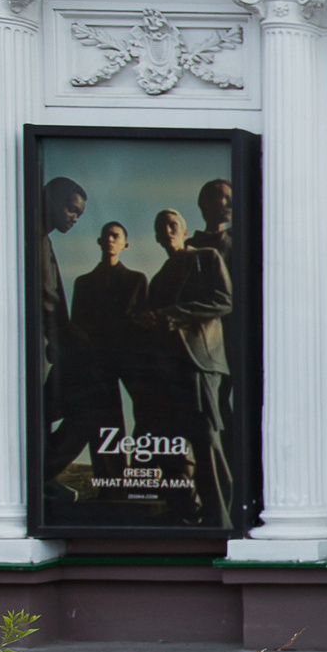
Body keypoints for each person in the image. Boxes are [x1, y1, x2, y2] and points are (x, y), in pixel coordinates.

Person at [140, 207, 232, 526]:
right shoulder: (159, 278)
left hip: (200, 361)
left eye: (172, 224)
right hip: (168, 369)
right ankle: (188, 515)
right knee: (174, 445)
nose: (167, 229)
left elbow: (224, 301)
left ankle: (220, 519)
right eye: (160, 226)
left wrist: (174, 314)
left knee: (205, 440)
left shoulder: (205, 258)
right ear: (155, 237)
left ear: (185, 229)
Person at [64, 222, 149, 493]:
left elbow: (141, 322)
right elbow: (76, 324)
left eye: (116, 236)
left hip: (130, 357)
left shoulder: (136, 279)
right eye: (106, 236)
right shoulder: (84, 282)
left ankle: (141, 478)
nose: (110, 240)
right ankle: (111, 486)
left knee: (147, 415)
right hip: (96, 360)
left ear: (125, 244)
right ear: (100, 242)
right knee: (103, 420)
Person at [37, 177, 87, 485]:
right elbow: (49, 299)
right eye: (71, 209)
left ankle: (42, 477)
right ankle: (41, 477)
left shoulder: (43, 239)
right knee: (83, 414)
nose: (74, 218)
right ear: (52, 199)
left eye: (79, 214)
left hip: (51, 346)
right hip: (44, 348)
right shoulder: (36, 238)